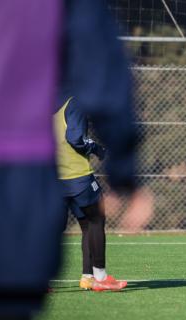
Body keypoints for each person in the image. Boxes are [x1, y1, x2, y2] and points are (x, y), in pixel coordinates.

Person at [0, 0, 145, 318]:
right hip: (29, 166)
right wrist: (122, 170)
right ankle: (97, 276)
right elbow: (105, 74)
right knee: (92, 220)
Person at [54, 96, 127, 291]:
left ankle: (40, 279)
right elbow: (75, 138)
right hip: (77, 175)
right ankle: (100, 277)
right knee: (95, 220)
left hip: (50, 177)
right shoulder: (74, 101)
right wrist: (97, 148)